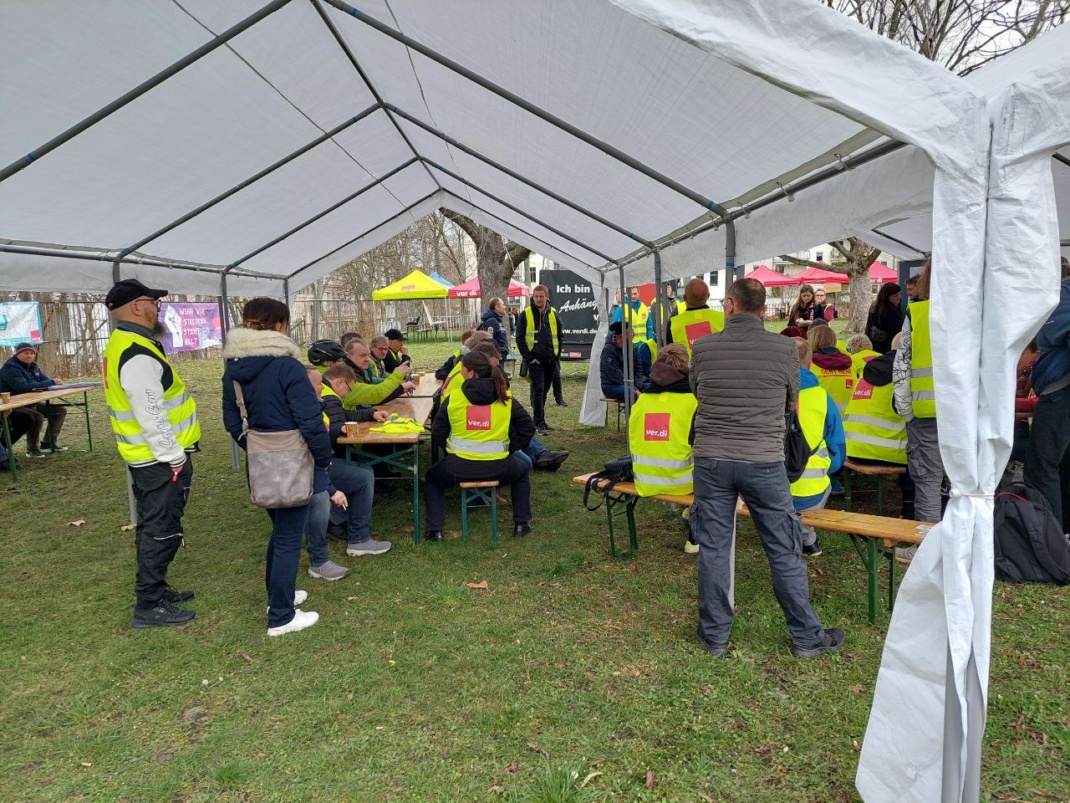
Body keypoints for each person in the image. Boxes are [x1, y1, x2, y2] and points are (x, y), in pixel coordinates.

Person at [690, 277, 844, 658]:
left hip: (712, 459)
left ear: (729, 306)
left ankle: (715, 637)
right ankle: (806, 637)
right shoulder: (783, 350)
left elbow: (699, 392)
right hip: (764, 459)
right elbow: (791, 400)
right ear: (763, 310)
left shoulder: (703, 348)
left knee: (714, 547)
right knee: (783, 548)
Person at [222, 298, 327, 636]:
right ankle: (281, 617)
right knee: (288, 537)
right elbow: (311, 420)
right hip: (292, 459)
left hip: (260, 461)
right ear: (279, 325)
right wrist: (323, 458)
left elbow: (231, 419)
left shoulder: (233, 367)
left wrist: (257, 447)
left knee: (280, 531)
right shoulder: (287, 366)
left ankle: (277, 596)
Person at [102, 279, 200, 629]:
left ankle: (156, 589)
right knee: (162, 528)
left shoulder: (128, 343)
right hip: (158, 459)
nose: (158, 307)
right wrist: (172, 454)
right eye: (153, 302)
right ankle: (149, 603)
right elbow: (150, 409)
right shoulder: (135, 350)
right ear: (136, 307)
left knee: (155, 524)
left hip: (149, 457)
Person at [424, 351, 535, 541]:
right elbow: (528, 427)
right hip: (499, 467)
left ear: (472, 373)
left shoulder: (455, 398)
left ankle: (435, 531)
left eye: (463, 370)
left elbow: (437, 432)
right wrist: (510, 449)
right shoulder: (505, 397)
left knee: (432, 479)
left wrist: (451, 450)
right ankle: (521, 524)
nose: (460, 373)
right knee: (522, 470)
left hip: (457, 467)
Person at [313, 364, 394, 558]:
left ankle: (338, 521)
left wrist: (370, 414)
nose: (320, 387)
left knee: (363, 471)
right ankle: (357, 538)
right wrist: (338, 429)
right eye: (349, 390)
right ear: (340, 382)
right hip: (315, 467)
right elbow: (329, 428)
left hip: (312, 465)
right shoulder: (330, 396)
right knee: (363, 476)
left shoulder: (324, 397)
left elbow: (340, 417)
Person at [893, 259, 943, 562]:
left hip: (926, 412)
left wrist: (907, 410)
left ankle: (927, 548)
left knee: (927, 480)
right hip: (968, 415)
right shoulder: (980, 310)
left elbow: (902, 365)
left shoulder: (919, 312)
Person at [628, 344, 698, 552]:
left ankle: (690, 510)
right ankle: (695, 538)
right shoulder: (693, 401)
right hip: (683, 482)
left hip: (644, 479)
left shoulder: (641, 400)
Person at [844, 333, 915, 520]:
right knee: (922, 449)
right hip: (885, 452)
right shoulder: (904, 376)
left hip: (852, 447)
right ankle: (910, 509)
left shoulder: (868, 370)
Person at [468, 340, 569, 472]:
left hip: (487, 422)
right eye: (493, 365)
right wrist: (511, 448)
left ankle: (540, 456)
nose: (496, 368)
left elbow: (505, 384)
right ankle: (539, 457)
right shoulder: (474, 382)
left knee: (518, 423)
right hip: (484, 429)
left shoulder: (478, 374)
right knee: (515, 427)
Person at [1025, 257, 1070, 531]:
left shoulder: (1061, 296)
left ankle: (1049, 537)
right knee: (1061, 466)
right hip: (1059, 391)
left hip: (1059, 392)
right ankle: (1061, 535)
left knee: (1041, 467)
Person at [790, 337, 845, 557]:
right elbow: (838, 451)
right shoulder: (823, 398)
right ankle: (806, 536)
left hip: (766, 491)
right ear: (810, 364)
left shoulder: (765, 395)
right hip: (811, 491)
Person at [0, 342, 68, 456]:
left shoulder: (33, 366)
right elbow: (23, 387)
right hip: (12, 405)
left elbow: (43, 380)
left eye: (32, 353)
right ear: (17, 354)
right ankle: (32, 449)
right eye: (26, 353)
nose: (29, 356)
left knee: (59, 411)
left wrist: (53, 383)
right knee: (36, 417)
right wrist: (50, 383)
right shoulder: (10, 368)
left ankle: (48, 443)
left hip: (30, 402)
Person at [515, 285, 561, 435]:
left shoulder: (553, 313)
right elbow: (520, 338)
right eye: (536, 296)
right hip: (535, 361)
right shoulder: (525, 314)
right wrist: (529, 357)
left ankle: (540, 420)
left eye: (542, 296)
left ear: (547, 297)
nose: (539, 299)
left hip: (550, 361)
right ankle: (538, 422)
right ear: (533, 298)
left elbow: (559, 336)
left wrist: (557, 356)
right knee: (538, 391)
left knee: (545, 390)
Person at [341, 339, 413, 408]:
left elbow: (374, 381)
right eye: (362, 355)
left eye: (368, 355)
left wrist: (399, 385)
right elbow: (374, 396)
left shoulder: (359, 369)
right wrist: (398, 380)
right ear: (349, 356)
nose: (367, 359)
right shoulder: (346, 375)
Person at [667, 278, 725, 356]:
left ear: (684, 297)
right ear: (708, 296)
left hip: (686, 367)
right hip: (716, 367)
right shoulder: (724, 319)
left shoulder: (673, 324)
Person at [807, 325, 854, 415]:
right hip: (849, 419)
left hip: (820, 417)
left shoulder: (809, 364)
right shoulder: (851, 364)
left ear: (813, 341)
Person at [600, 321, 647, 403]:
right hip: (612, 386)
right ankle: (632, 415)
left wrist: (637, 386)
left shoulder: (634, 348)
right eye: (630, 332)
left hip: (632, 384)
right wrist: (634, 389)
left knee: (652, 387)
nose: (633, 334)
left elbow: (639, 369)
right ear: (622, 335)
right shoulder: (609, 350)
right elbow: (615, 375)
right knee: (631, 393)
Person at [866, 283, 904, 354]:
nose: (899, 297)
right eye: (895, 295)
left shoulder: (876, 306)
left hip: (875, 344)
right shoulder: (888, 311)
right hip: (887, 346)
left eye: (900, 294)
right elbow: (897, 329)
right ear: (886, 297)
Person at [478, 297, 510, 362]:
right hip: (495, 358)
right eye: (503, 305)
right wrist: (498, 354)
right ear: (496, 307)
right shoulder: (492, 321)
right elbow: (489, 341)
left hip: (499, 356)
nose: (505, 307)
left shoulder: (497, 320)